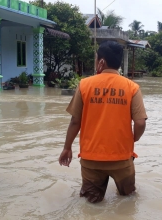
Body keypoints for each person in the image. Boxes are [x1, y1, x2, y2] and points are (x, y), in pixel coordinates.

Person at [58, 41, 147, 203]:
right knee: (128, 201)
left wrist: (67, 147)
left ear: (101, 62)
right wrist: (132, 139)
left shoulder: (84, 85)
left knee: (91, 205)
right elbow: (140, 123)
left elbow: (75, 121)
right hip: (122, 158)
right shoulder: (132, 87)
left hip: (91, 159)